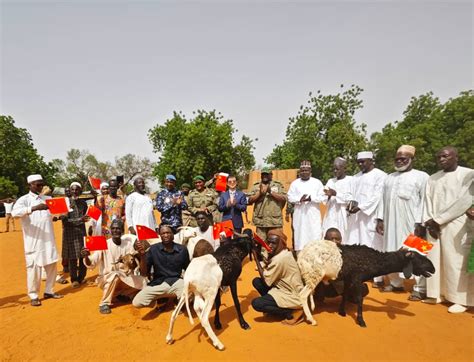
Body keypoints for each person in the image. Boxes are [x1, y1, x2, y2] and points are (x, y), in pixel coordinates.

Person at [422, 146, 473, 313]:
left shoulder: (468, 174)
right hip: (434, 225)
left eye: (445, 156)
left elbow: (464, 202)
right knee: (434, 258)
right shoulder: (433, 178)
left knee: (455, 260)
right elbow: (427, 201)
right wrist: (428, 222)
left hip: (456, 223)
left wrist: (438, 220)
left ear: (456, 157)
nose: (441, 160)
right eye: (439, 157)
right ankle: (437, 293)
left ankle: (460, 299)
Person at [376, 145, 429, 299]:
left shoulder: (422, 176)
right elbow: (382, 199)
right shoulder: (389, 177)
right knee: (391, 251)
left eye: (403, 159)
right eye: (397, 159)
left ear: (412, 159)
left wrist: (421, 222)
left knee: (418, 252)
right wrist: (380, 218)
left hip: (413, 223)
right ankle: (395, 283)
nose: (399, 161)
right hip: (391, 222)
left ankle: (420, 288)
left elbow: (425, 201)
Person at [11, 174, 63, 306]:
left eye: (42, 184)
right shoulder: (24, 200)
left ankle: (49, 291)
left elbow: (57, 213)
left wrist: (63, 211)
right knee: (33, 269)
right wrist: (33, 208)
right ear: (30, 185)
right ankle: (33, 295)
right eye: (38, 184)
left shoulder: (48, 199)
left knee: (52, 265)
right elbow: (14, 213)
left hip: (48, 239)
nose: (40, 186)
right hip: (33, 241)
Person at [81, 219, 147, 314]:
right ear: (110, 230)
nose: (116, 231)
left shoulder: (128, 245)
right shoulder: (104, 243)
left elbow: (135, 265)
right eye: (113, 229)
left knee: (144, 282)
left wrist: (141, 254)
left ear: (122, 231)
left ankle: (120, 294)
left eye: (118, 229)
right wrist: (86, 256)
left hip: (125, 279)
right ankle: (104, 303)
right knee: (115, 275)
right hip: (107, 279)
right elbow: (92, 263)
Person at [346, 151, 387, 288]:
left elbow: (377, 197)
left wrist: (361, 207)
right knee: (357, 244)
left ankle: (378, 278)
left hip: (371, 216)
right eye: (358, 162)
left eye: (363, 161)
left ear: (371, 161)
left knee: (373, 246)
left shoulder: (381, 176)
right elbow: (350, 193)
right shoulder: (355, 177)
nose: (360, 164)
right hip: (356, 218)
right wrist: (351, 203)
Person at [251, 229, 304, 325]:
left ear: (280, 244)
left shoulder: (281, 259)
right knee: (257, 282)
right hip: (281, 288)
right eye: (269, 242)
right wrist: (258, 248)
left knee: (257, 304)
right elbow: (266, 262)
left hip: (291, 295)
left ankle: (292, 312)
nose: (270, 245)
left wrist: (255, 258)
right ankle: (275, 309)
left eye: (274, 243)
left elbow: (267, 281)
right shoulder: (280, 252)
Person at [132, 225, 190, 310]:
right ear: (160, 236)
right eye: (163, 233)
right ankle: (160, 299)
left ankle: (176, 300)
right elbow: (144, 273)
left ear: (173, 235)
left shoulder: (182, 249)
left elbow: (188, 270)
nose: (165, 235)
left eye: (168, 233)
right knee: (137, 302)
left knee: (189, 297)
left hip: (176, 283)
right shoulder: (153, 249)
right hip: (158, 284)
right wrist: (143, 256)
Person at [287, 160, 326, 253]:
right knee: (300, 235)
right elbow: (289, 197)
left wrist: (311, 198)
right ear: (300, 172)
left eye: (306, 170)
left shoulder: (317, 182)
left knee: (315, 233)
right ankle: (300, 257)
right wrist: (299, 199)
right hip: (299, 215)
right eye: (302, 170)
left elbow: (322, 197)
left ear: (310, 171)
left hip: (313, 214)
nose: (304, 172)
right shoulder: (295, 183)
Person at [62, 182, 90, 288]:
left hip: (81, 232)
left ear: (80, 191)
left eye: (77, 189)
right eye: (72, 189)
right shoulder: (66, 203)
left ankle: (81, 277)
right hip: (70, 233)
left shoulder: (83, 203)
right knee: (72, 257)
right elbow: (65, 221)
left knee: (83, 254)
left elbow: (87, 216)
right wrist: (80, 219)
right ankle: (74, 279)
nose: (74, 191)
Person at [248, 167, 287, 242]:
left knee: (276, 243)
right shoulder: (256, 186)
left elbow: (283, 198)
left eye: (267, 174)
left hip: (275, 221)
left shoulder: (278, 185)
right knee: (261, 244)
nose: (265, 176)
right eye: (263, 174)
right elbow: (249, 201)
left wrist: (271, 192)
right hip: (261, 221)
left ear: (271, 175)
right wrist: (259, 193)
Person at [322, 157, 353, 241]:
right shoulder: (330, 181)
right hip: (331, 213)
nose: (335, 171)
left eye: (337, 169)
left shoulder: (351, 180)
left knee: (343, 237)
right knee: (329, 236)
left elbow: (351, 198)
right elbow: (324, 198)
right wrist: (328, 196)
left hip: (343, 214)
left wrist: (336, 194)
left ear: (344, 168)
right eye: (334, 169)